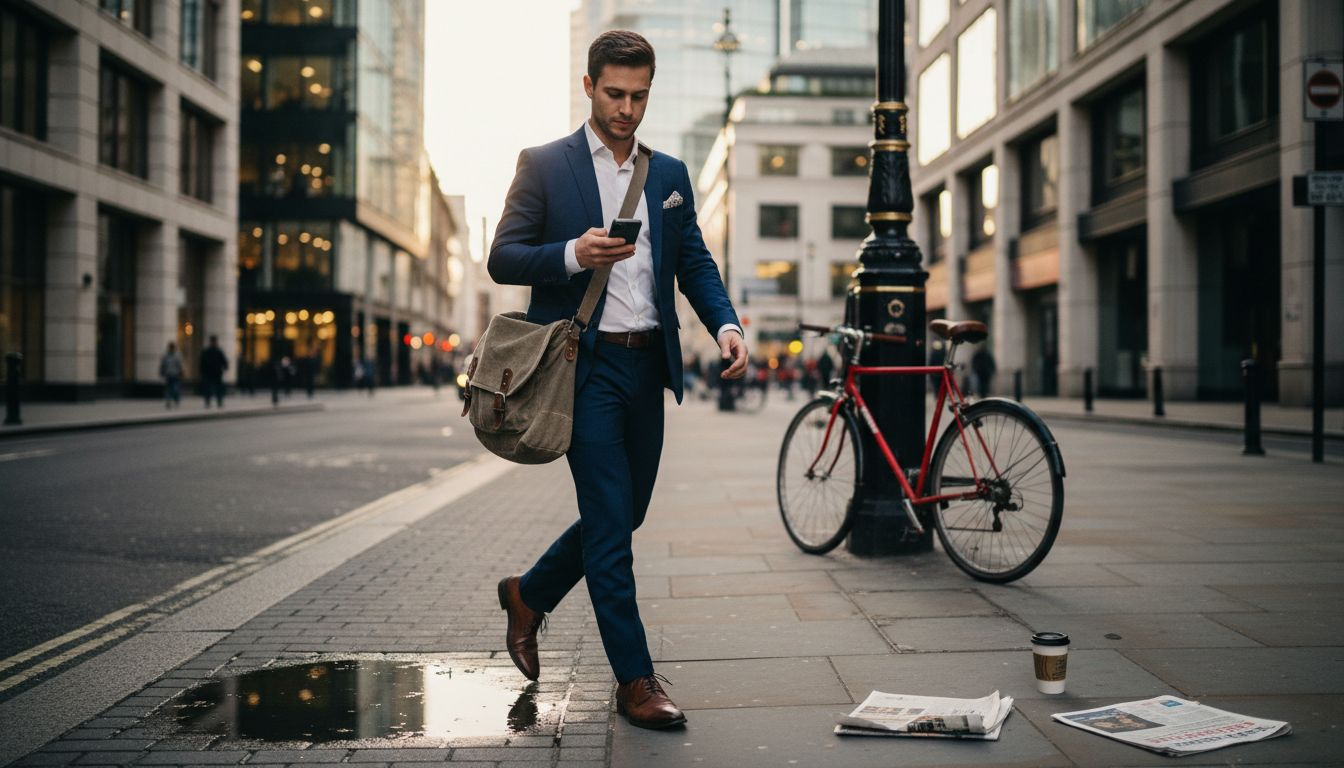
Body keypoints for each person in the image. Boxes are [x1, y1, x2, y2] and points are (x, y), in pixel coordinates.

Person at [488, 30, 747, 731]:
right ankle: (636, 680)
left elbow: (693, 262)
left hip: (647, 365)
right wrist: (573, 253)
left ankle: (528, 593)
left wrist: (725, 324)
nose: (626, 109)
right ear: (589, 87)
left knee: (624, 512)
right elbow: (503, 257)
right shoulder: (545, 165)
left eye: (638, 96)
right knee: (610, 529)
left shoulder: (668, 174)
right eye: (614, 94)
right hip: (585, 365)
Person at [200, 335, 228, 408]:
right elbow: (202, 363)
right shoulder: (208, 351)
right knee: (209, 388)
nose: (214, 343)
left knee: (217, 388)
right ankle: (209, 401)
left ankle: (218, 401)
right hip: (210, 373)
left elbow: (224, 361)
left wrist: (225, 367)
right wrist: (202, 371)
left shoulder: (218, 351)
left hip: (216, 373)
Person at [159, 342, 183, 409]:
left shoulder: (177, 356)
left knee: (175, 389)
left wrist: (181, 372)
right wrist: (162, 372)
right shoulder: (165, 356)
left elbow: (180, 365)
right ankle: (168, 401)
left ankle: (176, 399)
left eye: (172, 348)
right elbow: (163, 365)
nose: (171, 349)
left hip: (176, 375)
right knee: (168, 389)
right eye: (170, 348)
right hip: (168, 375)